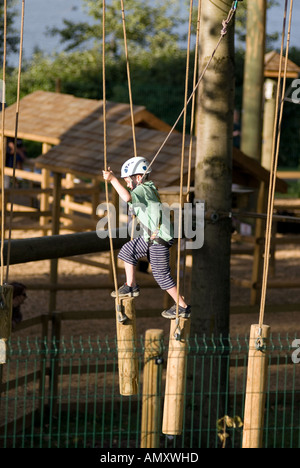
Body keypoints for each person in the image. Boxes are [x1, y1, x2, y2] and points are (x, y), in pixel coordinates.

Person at [102, 156, 191, 321]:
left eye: (128, 181)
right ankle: (131, 285)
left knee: (161, 274)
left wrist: (113, 180)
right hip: (150, 237)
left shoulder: (143, 189)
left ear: (138, 178)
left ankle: (182, 306)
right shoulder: (145, 189)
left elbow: (127, 197)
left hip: (159, 238)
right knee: (127, 251)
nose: (128, 185)